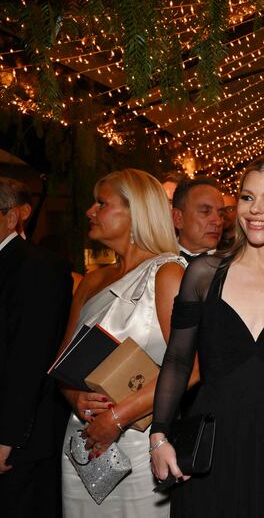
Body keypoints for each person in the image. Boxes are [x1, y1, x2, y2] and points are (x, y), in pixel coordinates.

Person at [149, 153, 264, 517]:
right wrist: (159, 435)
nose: (255, 210)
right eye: (247, 197)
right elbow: (179, 359)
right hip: (213, 446)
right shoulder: (204, 273)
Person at [58, 169, 186, 516]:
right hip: (82, 437)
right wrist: (76, 399)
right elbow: (62, 365)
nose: (89, 211)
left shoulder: (168, 273)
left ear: (136, 213)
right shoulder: (91, 281)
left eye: (102, 203)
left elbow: (190, 368)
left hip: (141, 440)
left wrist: (115, 420)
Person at [0, 178, 73, 518]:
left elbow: (29, 358)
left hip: (18, 437)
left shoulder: (35, 267)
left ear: (13, 217)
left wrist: (7, 439)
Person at [171, 177, 225, 262]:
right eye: (205, 211)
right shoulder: (154, 267)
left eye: (221, 214)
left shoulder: (234, 267)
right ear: (178, 218)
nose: (218, 222)